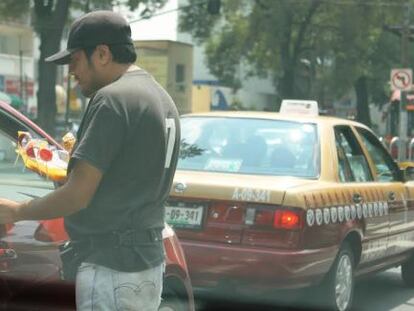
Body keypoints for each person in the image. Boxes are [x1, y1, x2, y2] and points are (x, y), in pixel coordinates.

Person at [0, 10, 180, 311]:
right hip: (146, 264)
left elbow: (78, 196)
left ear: (102, 53)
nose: (71, 71)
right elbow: (125, 179)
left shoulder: (112, 99)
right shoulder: (159, 97)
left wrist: (16, 211)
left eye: (75, 60)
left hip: (111, 268)